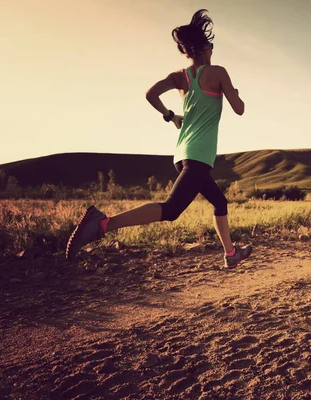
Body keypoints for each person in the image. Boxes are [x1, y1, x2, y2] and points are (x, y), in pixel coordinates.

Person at [66, 9, 252, 269]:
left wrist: (171, 116)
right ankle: (104, 223)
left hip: (183, 153)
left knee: (220, 202)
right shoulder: (218, 72)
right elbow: (240, 109)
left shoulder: (179, 77)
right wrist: (233, 92)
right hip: (199, 156)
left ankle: (231, 253)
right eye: (210, 45)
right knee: (171, 209)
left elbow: (150, 94)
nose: (212, 49)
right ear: (204, 47)